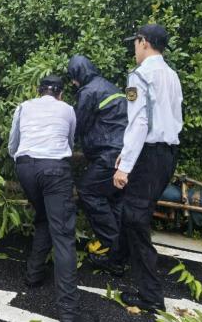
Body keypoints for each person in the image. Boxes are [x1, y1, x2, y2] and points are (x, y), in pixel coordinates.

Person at [112, 24, 183, 312]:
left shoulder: (138, 77)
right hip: (167, 154)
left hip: (148, 155)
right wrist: (126, 155)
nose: (134, 49)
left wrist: (125, 165)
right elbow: (173, 115)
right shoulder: (172, 75)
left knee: (134, 219)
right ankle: (116, 261)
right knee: (134, 212)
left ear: (143, 42)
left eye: (135, 43)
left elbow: (139, 122)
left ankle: (151, 297)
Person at [8, 76, 86, 322]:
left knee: (43, 218)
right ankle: (69, 312)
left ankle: (33, 275)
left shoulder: (24, 106)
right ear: (61, 94)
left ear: (37, 91)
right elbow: (70, 143)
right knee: (63, 236)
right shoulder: (68, 109)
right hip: (54, 169)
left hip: (25, 167)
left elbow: (13, 144)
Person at [67, 55, 127, 276]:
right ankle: (120, 253)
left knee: (88, 191)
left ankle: (112, 244)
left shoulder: (88, 91)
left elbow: (78, 124)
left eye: (73, 79)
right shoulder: (113, 87)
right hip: (126, 154)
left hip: (108, 153)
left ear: (78, 75)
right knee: (115, 198)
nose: (73, 84)